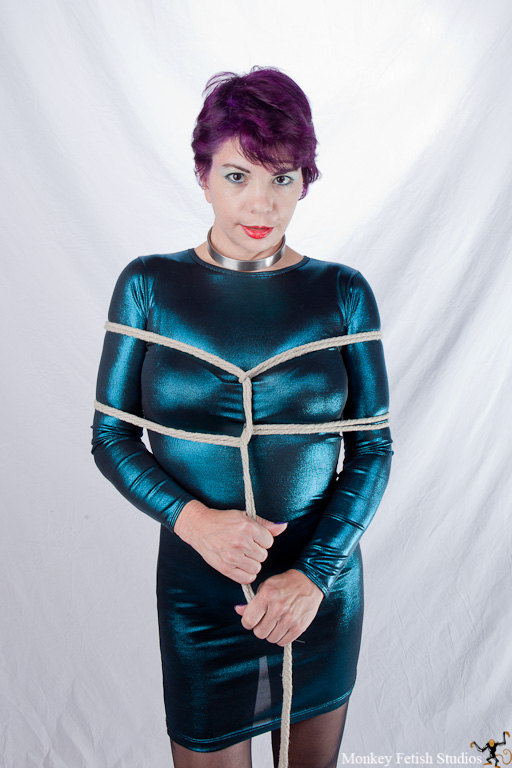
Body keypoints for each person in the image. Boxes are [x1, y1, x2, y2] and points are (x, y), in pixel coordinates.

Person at [92, 66, 393, 768]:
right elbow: (111, 435)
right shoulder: (149, 286)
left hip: (318, 592)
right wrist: (195, 522)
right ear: (202, 176)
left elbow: (373, 450)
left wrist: (314, 574)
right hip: (199, 596)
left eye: (282, 178)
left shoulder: (344, 293)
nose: (261, 202)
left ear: (304, 181)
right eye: (237, 176)